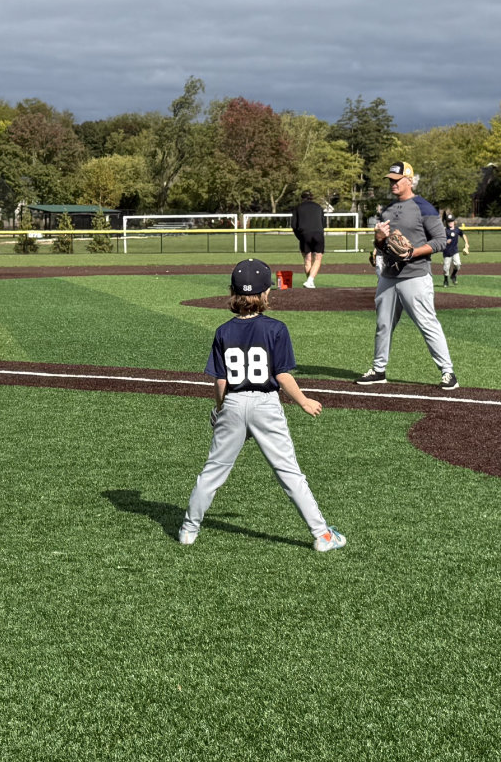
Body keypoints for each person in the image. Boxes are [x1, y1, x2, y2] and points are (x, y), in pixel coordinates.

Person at [179, 258, 345, 552]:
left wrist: (219, 408)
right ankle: (322, 535)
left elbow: (220, 382)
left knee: (213, 472)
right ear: (266, 292)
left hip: (233, 403)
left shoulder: (223, 331)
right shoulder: (276, 328)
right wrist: (304, 401)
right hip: (265, 405)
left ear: (233, 292)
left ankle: (188, 530)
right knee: (289, 473)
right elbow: (281, 374)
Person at [356, 162, 457, 390]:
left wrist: (413, 253)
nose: (392, 183)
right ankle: (378, 370)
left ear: (409, 181)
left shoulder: (424, 207)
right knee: (383, 324)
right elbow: (381, 246)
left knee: (426, 323)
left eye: (397, 179)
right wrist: (379, 240)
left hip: (415, 276)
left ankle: (448, 372)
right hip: (389, 276)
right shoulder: (388, 210)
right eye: (390, 179)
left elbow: (441, 240)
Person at [290, 190, 326, 288]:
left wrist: (300, 237)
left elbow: (293, 225)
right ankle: (310, 281)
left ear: (302, 198)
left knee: (307, 259)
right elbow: (324, 224)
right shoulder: (319, 207)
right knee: (318, 258)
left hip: (304, 234)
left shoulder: (298, 208)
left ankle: (309, 281)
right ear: (312, 197)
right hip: (318, 234)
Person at [442, 217, 470, 286]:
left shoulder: (457, 230)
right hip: (447, 252)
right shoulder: (444, 231)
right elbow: (440, 239)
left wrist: (466, 243)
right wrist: (445, 241)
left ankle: (453, 275)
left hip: (455, 251)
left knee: (458, 264)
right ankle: (445, 280)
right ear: (446, 223)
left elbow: (463, 235)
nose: (450, 223)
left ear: (454, 222)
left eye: (451, 221)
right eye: (449, 221)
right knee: (446, 268)